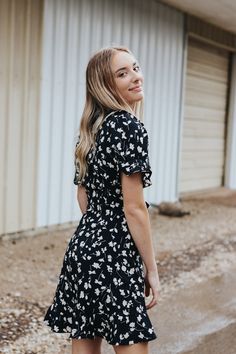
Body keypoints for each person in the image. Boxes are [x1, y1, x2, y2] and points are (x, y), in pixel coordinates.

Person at [44, 46, 160, 354]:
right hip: (116, 255)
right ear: (105, 85)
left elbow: (84, 197)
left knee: (86, 340)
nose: (135, 77)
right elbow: (134, 209)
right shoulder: (128, 127)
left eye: (135, 68)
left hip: (83, 250)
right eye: (123, 73)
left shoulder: (90, 129)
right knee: (131, 341)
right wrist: (152, 268)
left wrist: (98, 232)